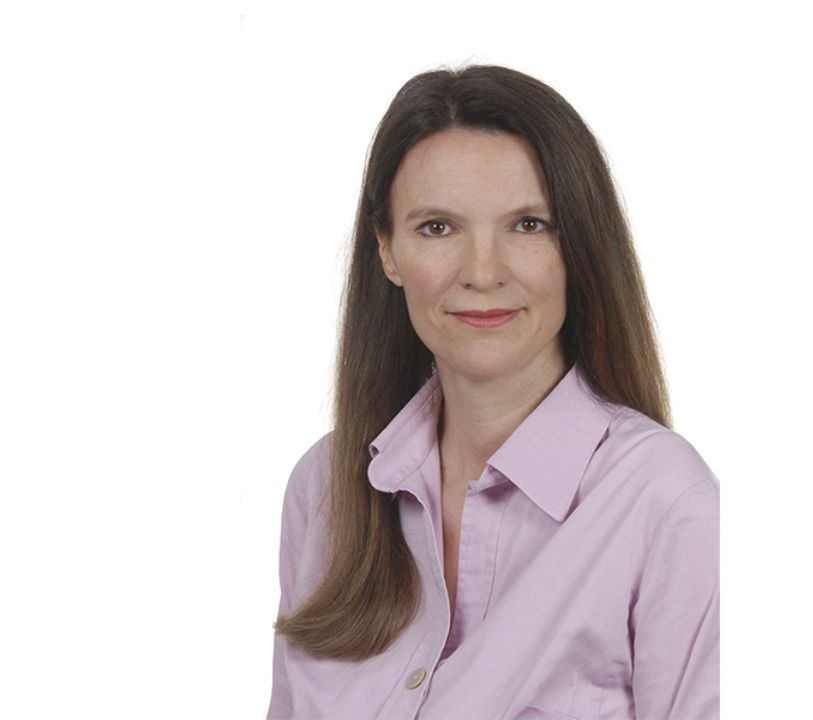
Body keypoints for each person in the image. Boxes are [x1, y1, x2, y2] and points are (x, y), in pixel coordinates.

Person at [266, 63, 719, 720]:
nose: (483, 272)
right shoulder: (324, 490)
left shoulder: (666, 503)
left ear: (580, 245)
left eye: (528, 224)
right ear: (387, 250)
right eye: (437, 227)